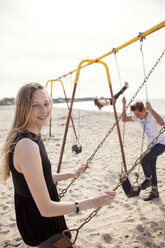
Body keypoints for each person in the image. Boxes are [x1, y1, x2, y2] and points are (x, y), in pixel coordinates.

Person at [0, 82, 116, 248]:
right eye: (36, 105)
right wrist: (93, 201)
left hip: (39, 220)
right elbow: (46, 209)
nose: (44, 110)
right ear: (23, 108)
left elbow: (37, 180)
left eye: (46, 104)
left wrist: (72, 174)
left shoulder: (28, 136)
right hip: (42, 225)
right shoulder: (27, 146)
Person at [122, 96, 165, 201]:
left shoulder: (151, 115)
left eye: (138, 114)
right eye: (135, 114)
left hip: (161, 143)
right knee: (152, 167)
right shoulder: (137, 117)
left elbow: (163, 123)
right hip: (151, 146)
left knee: (144, 159)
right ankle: (154, 191)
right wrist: (123, 105)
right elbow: (124, 119)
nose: (137, 116)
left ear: (144, 110)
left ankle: (148, 180)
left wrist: (151, 110)